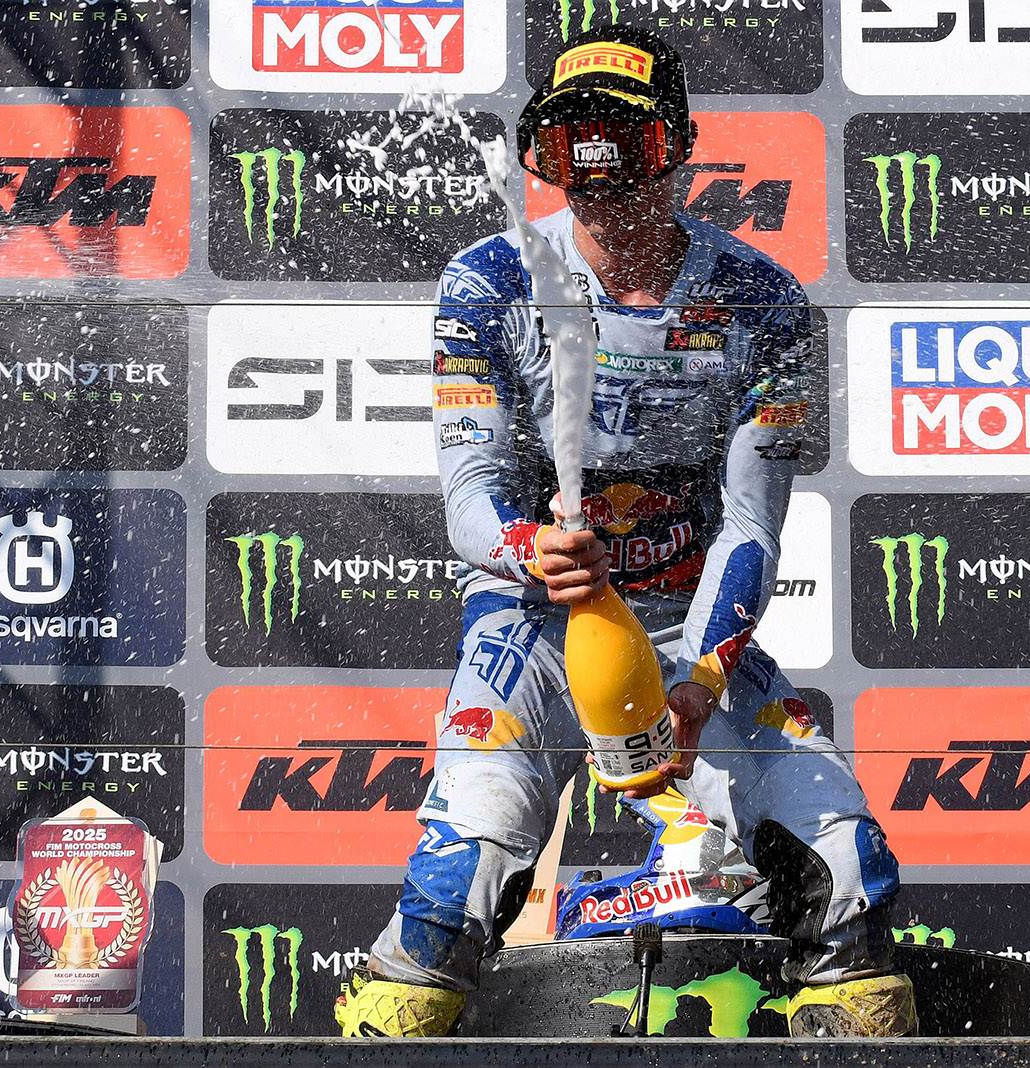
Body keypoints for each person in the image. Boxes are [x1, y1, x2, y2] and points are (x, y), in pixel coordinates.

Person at [336, 24, 915, 1039]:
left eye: (625, 147)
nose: (600, 182)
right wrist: (529, 548)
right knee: (457, 884)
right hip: (531, 620)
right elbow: (470, 490)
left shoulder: (761, 303)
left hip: (687, 623)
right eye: (572, 151)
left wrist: (703, 678)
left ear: (678, 148)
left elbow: (751, 524)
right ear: (545, 159)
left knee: (845, 882)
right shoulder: (489, 280)